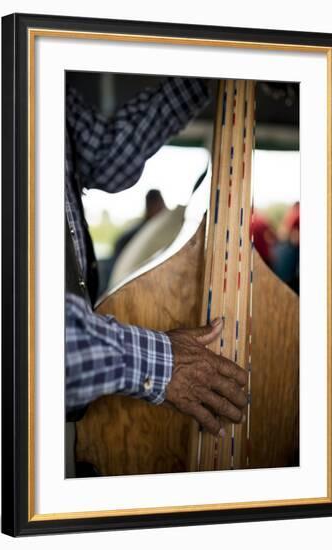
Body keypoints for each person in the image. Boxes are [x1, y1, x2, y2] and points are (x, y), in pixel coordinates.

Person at [65, 77, 248, 452]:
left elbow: (106, 155)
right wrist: (164, 364)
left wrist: (208, 71)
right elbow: (23, 337)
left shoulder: (47, 93)